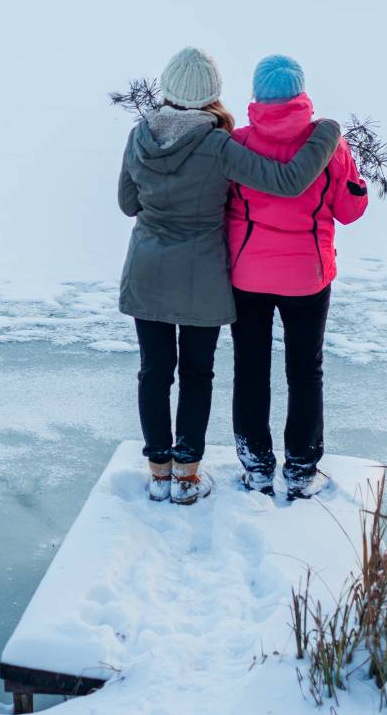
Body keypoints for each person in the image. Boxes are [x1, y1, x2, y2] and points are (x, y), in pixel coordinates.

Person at [118, 47, 340, 505]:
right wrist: (327, 134)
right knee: (197, 373)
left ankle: (158, 470)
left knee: (154, 372)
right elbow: (287, 181)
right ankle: (186, 476)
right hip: (201, 277)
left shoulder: (139, 136)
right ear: (213, 95)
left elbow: (128, 204)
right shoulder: (219, 145)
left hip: (146, 271)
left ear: (169, 89)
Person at [226, 54, 369, 501]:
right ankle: (302, 469)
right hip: (307, 276)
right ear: (300, 93)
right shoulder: (328, 147)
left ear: (256, 95)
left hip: (247, 274)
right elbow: (350, 211)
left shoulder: (238, 143)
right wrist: (355, 184)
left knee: (250, 369)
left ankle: (256, 467)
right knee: (305, 372)